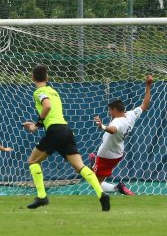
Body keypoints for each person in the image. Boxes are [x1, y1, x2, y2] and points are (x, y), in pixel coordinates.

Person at [23, 64, 110, 211]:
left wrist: (37, 125)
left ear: (32, 78)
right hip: (66, 130)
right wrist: (39, 124)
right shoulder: (53, 91)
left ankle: (42, 196)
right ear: (47, 78)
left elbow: (47, 106)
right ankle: (102, 194)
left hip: (55, 131)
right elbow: (53, 114)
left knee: (32, 161)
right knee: (79, 167)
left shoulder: (39, 91)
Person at [88, 75, 153, 196]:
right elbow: (145, 105)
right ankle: (94, 164)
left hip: (105, 156)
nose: (109, 113)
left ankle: (116, 187)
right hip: (118, 154)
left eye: (110, 110)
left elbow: (112, 130)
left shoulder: (118, 121)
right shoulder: (130, 115)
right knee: (96, 178)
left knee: (94, 182)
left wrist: (101, 125)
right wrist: (148, 86)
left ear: (114, 110)